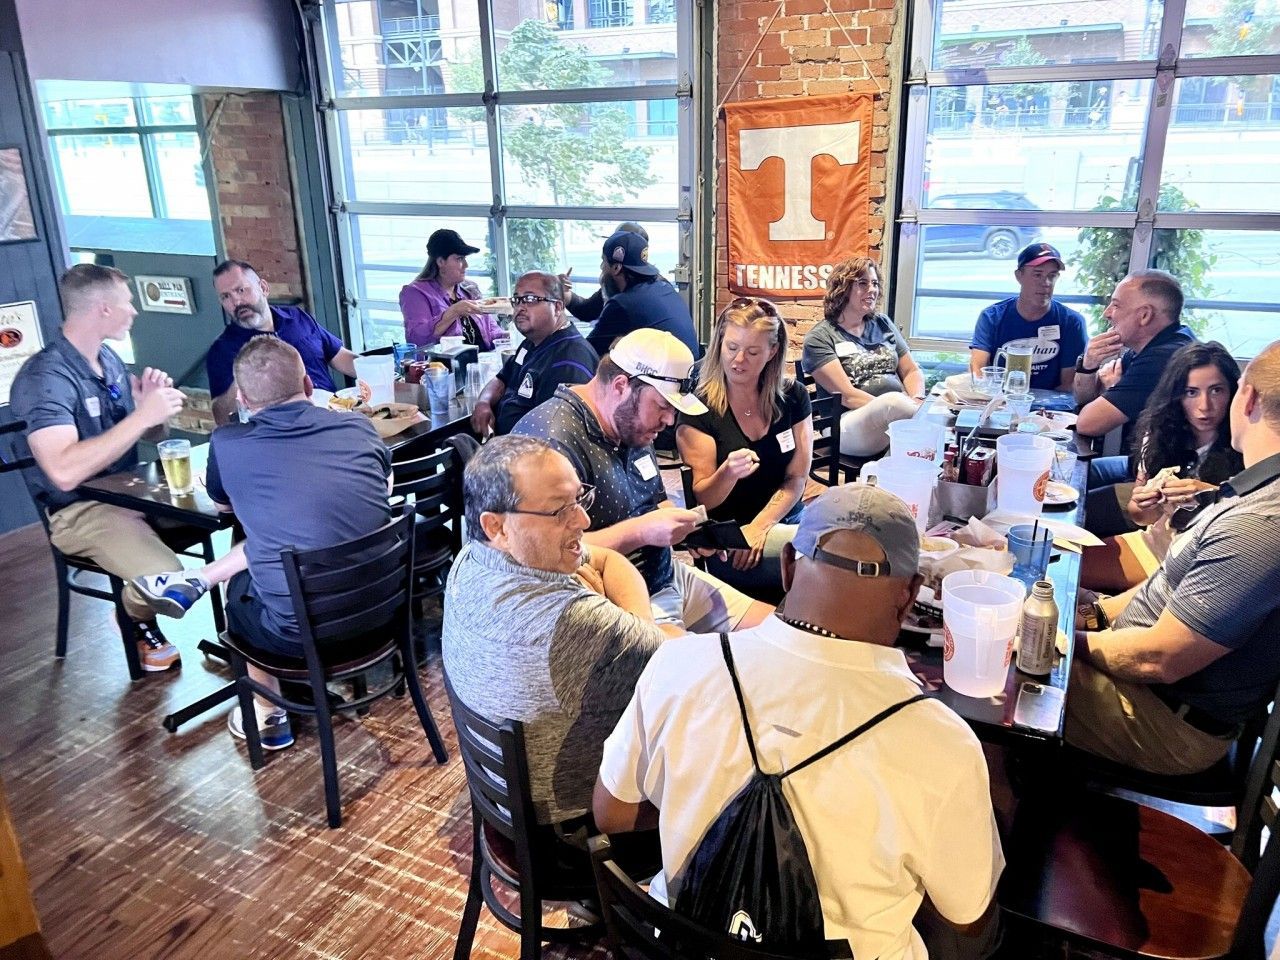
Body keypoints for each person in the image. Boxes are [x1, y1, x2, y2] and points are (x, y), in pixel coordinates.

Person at [594, 484, 1004, 960]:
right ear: (910, 596)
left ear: (787, 566)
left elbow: (612, 814)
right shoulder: (942, 744)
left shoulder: (678, 664)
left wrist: (698, 806)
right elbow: (966, 915)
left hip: (683, 945)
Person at [136, 337, 394, 750]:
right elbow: (381, 484)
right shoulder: (357, 426)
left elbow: (222, 505)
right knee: (292, 534)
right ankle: (197, 578)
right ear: (309, 384)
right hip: (383, 612)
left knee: (246, 584)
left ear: (242, 399)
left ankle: (269, 713)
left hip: (301, 636)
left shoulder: (228, 443)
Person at [1067, 340, 1280, 777]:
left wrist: (1064, 642)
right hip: (1153, 691)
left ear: (1249, 397)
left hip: (1168, 722)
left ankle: (1020, 826)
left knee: (997, 679)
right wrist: (1090, 613)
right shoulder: (1254, 490)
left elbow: (1158, 659)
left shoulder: (1258, 525)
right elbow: (1165, 583)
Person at [442, 434, 680, 825]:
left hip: (506, 800)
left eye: (579, 499)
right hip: (571, 828)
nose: (583, 521)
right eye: (559, 511)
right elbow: (676, 658)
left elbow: (606, 560)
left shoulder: (471, 558)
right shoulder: (570, 620)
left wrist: (635, 628)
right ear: (497, 526)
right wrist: (639, 630)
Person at [513, 329, 774, 634]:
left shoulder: (629, 423)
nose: (669, 422)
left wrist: (690, 533)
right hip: (616, 601)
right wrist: (643, 531)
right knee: (712, 672)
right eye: (663, 406)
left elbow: (655, 500)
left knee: (778, 632)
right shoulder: (549, 443)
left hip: (666, 575)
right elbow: (541, 554)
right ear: (622, 385)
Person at [13, 262, 190, 672]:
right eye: (128, 303)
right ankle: (134, 618)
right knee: (168, 579)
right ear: (104, 310)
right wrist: (141, 417)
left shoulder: (108, 359)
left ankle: (253, 629)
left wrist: (152, 410)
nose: (135, 311)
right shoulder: (44, 378)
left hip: (132, 491)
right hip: (79, 509)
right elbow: (63, 472)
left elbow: (145, 435)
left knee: (237, 514)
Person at [676, 296, 812, 596]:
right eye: (732, 348)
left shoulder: (793, 396)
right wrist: (728, 472)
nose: (738, 361)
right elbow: (704, 499)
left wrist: (761, 526)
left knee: (839, 537)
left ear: (772, 352)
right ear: (719, 344)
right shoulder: (698, 407)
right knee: (825, 560)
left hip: (782, 521)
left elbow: (797, 478)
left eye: (752, 352)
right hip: (731, 542)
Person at [1081, 342, 1243, 593]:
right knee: (1063, 566)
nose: (1205, 405)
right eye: (1191, 392)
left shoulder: (1244, 442)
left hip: (1199, 565)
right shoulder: (1159, 433)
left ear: (1234, 392)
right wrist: (1144, 503)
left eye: (1216, 391)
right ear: (1176, 396)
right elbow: (1141, 517)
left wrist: (1211, 494)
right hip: (1156, 542)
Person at [1075, 270, 1198, 535]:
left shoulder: (1163, 358)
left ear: (1144, 315)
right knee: (1070, 473)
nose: (1108, 313)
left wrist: (1112, 388)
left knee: (1072, 507)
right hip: (1140, 463)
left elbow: (1087, 423)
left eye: (1116, 305)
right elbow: (1085, 400)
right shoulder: (1151, 347)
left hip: (1167, 487)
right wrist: (1088, 365)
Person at [207, 259, 358, 425]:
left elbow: (339, 356)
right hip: (284, 434)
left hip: (335, 416)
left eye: (241, 290)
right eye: (225, 296)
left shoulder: (297, 317)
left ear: (263, 288)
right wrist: (242, 378)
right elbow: (221, 417)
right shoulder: (222, 350)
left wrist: (382, 370)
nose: (236, 302)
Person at [801, 257, 926, 457]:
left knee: (921, 408)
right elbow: (848, 395)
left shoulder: (882, 323)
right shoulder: (820, 337)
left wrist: (917, 399)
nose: (872, 289)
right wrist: (896, 409)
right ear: (842, 289)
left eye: (875, 283)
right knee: (897, 404)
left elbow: (911, 370)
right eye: (863, 283)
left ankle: (884, 477)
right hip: (844, 424)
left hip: (896, 417)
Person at [469, 271, 598, 437]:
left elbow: (554, 436)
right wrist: (483, 402)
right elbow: (502, 378)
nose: (520, 308)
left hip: (527, 455)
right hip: (501, 443)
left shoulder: (569, 361)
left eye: (530, 300)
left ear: (557, 307)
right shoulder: (532, 342)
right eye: (517, 300)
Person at [968, 242, 1087, 391]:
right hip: (1000, 402)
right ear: (1019, 276)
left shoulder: (1071, 322)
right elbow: (977, 370)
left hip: (1050, 408)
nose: (1046, 283)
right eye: (1038, 275)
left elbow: (1069, 383)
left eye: (1052, 276)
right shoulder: (992, 317)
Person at [586, 230, 699, 360]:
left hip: (673, 377)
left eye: (603, 262)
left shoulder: (623, 304)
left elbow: (587, 353)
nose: (601, 268)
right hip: (691, 373)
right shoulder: (663, 287)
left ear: (616, 268)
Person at [399, 228, 506, 351]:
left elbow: (491, 330)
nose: (466, 265)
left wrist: (510, 336)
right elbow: (418, 341)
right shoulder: (415, 293)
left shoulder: (470, 290)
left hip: (485, 363)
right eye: (459, 259)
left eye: (465, 258)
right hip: (445, 368)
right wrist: (454, 312)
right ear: (440, 261)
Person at [558, 221, 649, 325]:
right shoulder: (657, 285)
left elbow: (595, 340)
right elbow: (587, 310)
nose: (602, 266)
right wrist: (563, 292)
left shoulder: (624, 302)